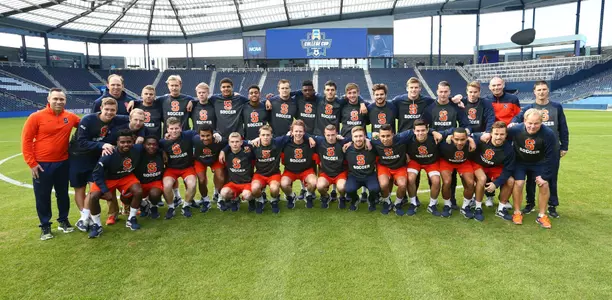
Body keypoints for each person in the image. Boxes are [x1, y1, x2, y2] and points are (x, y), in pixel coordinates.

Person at [21, 88, 80, 240]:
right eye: (55, 99)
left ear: (65, 101)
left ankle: (63, 221)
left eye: (61, 99)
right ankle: (45, 226)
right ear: (48, 99)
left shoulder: (70, 117)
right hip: (42, 164)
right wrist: (32, 163)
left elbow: (86, 125)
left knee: (63, 194)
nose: (59, 102)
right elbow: (26, 141)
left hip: (63, 163)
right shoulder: (36, 117)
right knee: (42, 196)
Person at [511, 80, 569, 218]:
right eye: (539, 90)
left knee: (550, 178)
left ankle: (552, 205)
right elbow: (518, 119)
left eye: (544, 89)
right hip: (533, 148)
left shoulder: (556, 107)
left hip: (551, 149)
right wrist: (512, 123)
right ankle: (530, 203)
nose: (541, 92)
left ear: (548, 90)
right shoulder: (529, 107)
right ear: (534, 92)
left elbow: (563, 127)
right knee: (531, 179)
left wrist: (564, 146)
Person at [69, 97, 129, 231]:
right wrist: (102, 144)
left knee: (93, 188)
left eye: (112, 110)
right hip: (77, 157)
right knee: (79, 188)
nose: (109, 112)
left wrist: (135, 103)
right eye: (106, 109)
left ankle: (84, 218)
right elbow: (81, 142)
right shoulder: (87, 120)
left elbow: (134, 118)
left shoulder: (117, 119)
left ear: (116, 111)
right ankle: (85, 216)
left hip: (93, 158)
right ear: (101, 108)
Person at [84, 130, 144, 238]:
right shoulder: (108, 154)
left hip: (125, 176)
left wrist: (162, 152)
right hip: (107, 179)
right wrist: (105, 190)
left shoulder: (137, 149)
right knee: (93, 196)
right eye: (122, 142)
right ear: (117, 142)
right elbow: (96, 174)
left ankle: (131, 218)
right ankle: (97, 225)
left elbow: (154, 147)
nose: (126, 144)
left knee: (138, 191)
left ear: (133, 141)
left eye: (129, 142)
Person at [423, 81, 471, 210]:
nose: (443, 94)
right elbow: (424, 126)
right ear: (437, 92)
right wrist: (433, 132)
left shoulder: (456, 107)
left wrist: (449, 133)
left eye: (446, 92)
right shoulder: (430, 108)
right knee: (433, 174)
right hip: (434, 144)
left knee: (452, 174)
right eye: (441, 91)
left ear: (449, 92)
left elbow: (463, 125)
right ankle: (434, 198)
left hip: (451, 144)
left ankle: (452, 198)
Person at [507, 109, 556, 229]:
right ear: (524, 121)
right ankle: (517, 212)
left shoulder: (548, 134)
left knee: (544, 184)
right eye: (530, 123)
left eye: (536, 123)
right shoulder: (515, 129)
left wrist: (545, 176)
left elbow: (551, 157)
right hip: (520, 162)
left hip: (539, 163)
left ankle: (542, 215)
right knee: (518, 183)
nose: (532, 126)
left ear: (541, 122)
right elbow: (502, 141)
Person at [372, 124, 421, 215]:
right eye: (382, 136)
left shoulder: (401, 138)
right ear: (379, 136)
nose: (385, 139)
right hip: (384, 166)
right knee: (383, 184)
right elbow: (361, 136)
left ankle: (397, 204)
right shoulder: (375, 141)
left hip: (399, 167)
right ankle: (387, 202)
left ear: (393, 135)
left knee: (402, 185)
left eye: (388, 136)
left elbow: (418, 129)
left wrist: (433, 131)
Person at [471, 122, 515, 222]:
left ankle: (501, 209)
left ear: (506, 135)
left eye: (502, 134)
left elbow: (508, 170)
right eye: (496, 134)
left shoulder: (509, 149)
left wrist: (496, 184)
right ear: (491, 133)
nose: (499, 137)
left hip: (495, 167)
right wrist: (472, 140)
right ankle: (478, 207)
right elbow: (466, 135)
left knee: (510, 181)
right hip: (479, 164)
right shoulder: (482, 138)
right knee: (482, 179)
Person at [159, 117, 198, 219]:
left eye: (176, 128)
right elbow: (155, 148)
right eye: (171, 129)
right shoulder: (163, 142)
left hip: (187, 167)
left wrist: (215, 133)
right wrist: (162, 152)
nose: (174, 131)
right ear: (167, 129)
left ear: (181, 128)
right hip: (171, 169)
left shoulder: (188, 135)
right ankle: (171, 207)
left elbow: (201, 131)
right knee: (166, 186)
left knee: (192, 184)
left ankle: (186, 206)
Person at [245, 125, 288, 214]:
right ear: (259, 136)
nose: (265, 137)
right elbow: (239, 142)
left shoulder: (277, 142)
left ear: (271, 135)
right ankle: (260, 200)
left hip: (274, 174)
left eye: (268, 135)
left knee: (274, 188)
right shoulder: (255, 144)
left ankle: (274, 200)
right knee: (254, 188)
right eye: (263, 135)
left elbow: (292, 133)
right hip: (259, 174)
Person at [406, 120, 443, 217]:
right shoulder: (408, 138)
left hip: (431, 162)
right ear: (413, 131)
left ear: (427, 130)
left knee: (436, 181)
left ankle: (432, 205)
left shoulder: (435, 137)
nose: (420, 133)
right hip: (415, 161)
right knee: (410, 179)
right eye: (418, 131)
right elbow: (397, 141)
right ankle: (413, 203)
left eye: (423, 130)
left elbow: (450, 132)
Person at [437, 128, 476, 218]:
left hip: (463, 163)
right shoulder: (445, 143)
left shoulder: (472, 140)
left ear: (467, 138)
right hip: (447, 162)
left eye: (462, 139)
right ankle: (447, 205)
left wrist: (471, 140)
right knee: (447, 182)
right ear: (452, 138)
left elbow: (483, 135)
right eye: (456, 139)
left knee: (470, 184)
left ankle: (465, 207)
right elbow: (432, 133)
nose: (459, 142)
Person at [280, 120, 317, 209]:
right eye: (296, 131)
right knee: (283, 184)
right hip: (290, 171)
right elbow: (271, 141)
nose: (298, 134)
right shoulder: (285, 142)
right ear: (291, 132)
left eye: (300, 131)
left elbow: (326, 139)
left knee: (314, 182)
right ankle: (291, 196)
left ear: (304, 132)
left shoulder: (310, 142)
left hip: (306, 170)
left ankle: (308, 196)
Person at [343, 126, 380, 211]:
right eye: (356, 136)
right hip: (354, 175)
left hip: (369, 175)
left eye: (361, 136)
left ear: (365, 136)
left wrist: (368, 140)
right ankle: (355, 199)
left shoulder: (372, 146)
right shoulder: (347, 148)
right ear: (352, 138)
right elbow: (335, 140)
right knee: (348, 189)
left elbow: (381, 141)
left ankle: (371, 200)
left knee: (375, 189)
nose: (358, 139)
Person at [312, 125, 349, 209]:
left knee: (342, 187)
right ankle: (325, 196)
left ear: (336, 134)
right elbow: (306, 135)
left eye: (333, 135)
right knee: (320, 186)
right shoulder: (320, 141)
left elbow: (354, 139)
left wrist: (350, 142)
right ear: (324, 134)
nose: (331, 137)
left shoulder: (342, 142)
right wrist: (310, 138)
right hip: (326, 174)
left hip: (340, 173)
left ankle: (342, 197)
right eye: (328, 135)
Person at [192, 124, 226, 212]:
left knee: (221, 177)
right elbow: (182, 135)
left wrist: (223, 151)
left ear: (212, 134)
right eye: (202, 136)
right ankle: (206, 200)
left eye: (208, 135)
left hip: (215, 160)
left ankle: (220, 198)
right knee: (202, 180)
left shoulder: (218, 140)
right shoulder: (195, 139)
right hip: (200, 160)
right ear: (199, 135)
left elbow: (228, 144)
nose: (205, 138)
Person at [218, 133, 255, 212]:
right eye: (232, 142)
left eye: (237, 142)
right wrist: (222, 151)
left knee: (247, 195)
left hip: (247, 183)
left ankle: (252, 201)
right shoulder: (226, 153)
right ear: (229, 143)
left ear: (241, 142)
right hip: (233, 183)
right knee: (224, 193)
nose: (235, 144)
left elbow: (255, 145)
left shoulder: (248, 152)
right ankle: (234, 200)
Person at [133, 136, 164, 219]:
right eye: (148, 144)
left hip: (155, 182)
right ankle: (144, 205)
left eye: (154, 144)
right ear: (144, 145)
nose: (151, 146)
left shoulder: (161, 153)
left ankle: (153, 207)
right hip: (140, 183)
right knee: (125, 198)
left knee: (154, 194)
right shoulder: (138, 154)